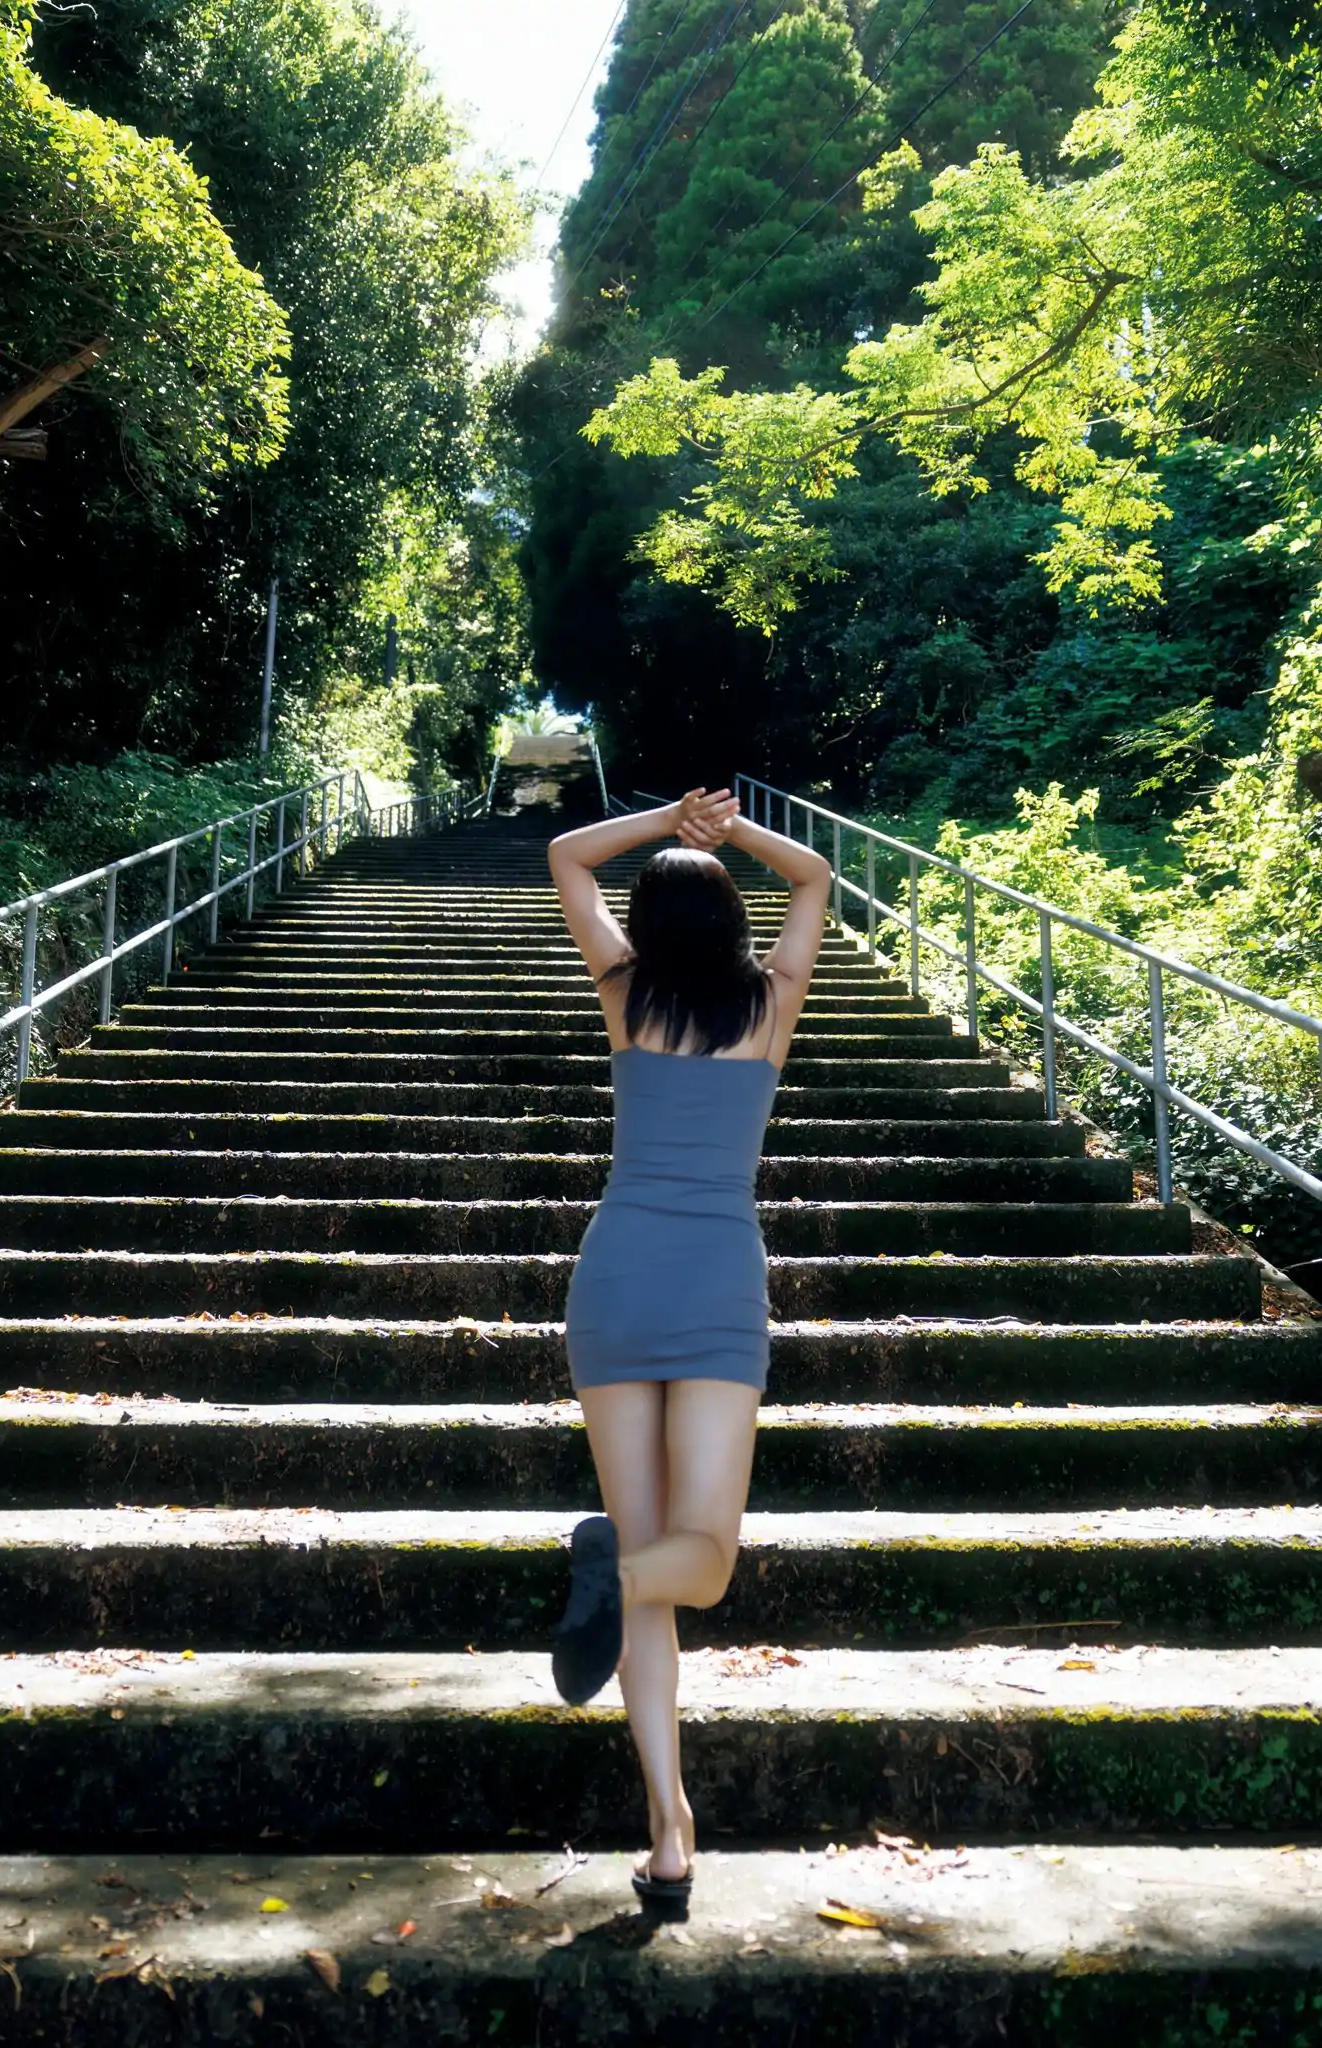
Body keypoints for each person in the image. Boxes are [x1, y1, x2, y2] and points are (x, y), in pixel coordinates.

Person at [546, 785, 832, 1908]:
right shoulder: (772, 1003)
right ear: (730, 924)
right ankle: (611, 1580)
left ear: (650, 929)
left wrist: (669, 821)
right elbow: (814, 876)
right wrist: (729, 829)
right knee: (698, 1560)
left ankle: (670, 1829)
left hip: (618, 1274)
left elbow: (568, 857)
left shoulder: (626, 990)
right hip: (714, 1280)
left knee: (656, 1571)